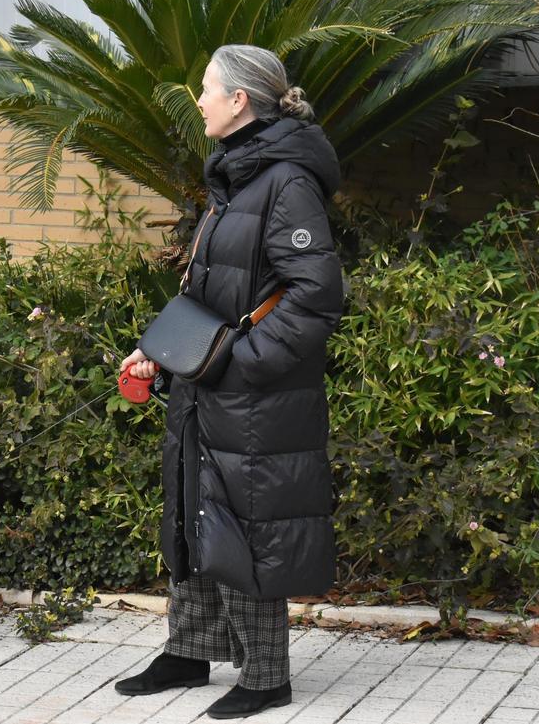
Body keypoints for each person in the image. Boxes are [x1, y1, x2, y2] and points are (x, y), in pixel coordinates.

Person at [115, 44, 344, 719]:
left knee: (246, 527)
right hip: (208, 388)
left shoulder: (285, 184)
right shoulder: (235, 180)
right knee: (194, 511)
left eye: (208, 89)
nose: (201, 101)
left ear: (240, 100)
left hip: (254, 397)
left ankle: (267, 675)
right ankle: (189, 651)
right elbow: (212, 294)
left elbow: (315, 299)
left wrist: (237, 364)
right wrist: (162, 351)